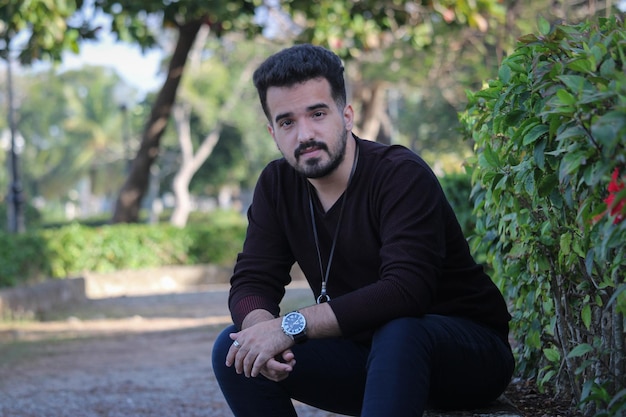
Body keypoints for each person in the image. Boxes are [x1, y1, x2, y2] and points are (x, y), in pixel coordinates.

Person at [211, 43, 514, 417]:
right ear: (273, 132)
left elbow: (406, 291)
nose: (304, 134)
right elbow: (252, 280)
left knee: (400, 330)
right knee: (235, 349)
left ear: (347, 115)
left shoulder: (400, 175)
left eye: (318, 113)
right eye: (287, 122)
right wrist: (260, 333)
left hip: (465, 356)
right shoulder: (277, 185)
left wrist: (290, 325)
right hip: (371, 359)